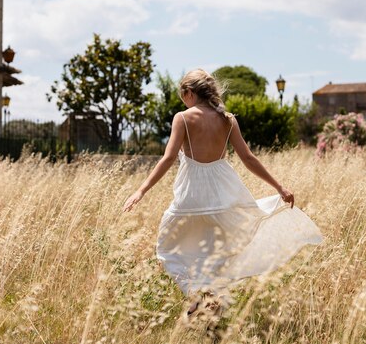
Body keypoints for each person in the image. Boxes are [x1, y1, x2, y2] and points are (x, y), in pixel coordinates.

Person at [123, 69, 323, 315]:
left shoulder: (183, 118)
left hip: (191, 197)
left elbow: (168, 158)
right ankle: (210, 300)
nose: (182, 100)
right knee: (217, 252)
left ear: (189, 93)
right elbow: (248, 158)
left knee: (168, 248)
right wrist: (279, 187)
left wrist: (141, 190)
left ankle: (197, 297)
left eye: (182, 95)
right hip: (224, 197)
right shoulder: (227, 119)